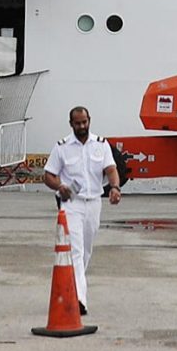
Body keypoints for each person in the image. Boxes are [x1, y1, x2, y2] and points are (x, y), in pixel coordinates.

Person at [42, 104, 122, 315]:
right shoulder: (62, 147)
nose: (82, 126)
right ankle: (79, 299)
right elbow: (48, 175)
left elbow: (111, 169)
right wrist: (59, 186)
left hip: (94, 202)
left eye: (84, 122)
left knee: (86, 251)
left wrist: (114, 187)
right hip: (72, 203)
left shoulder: (101, 145)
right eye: (77, 123)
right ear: (71, 124)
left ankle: (75, 287)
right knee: (76, 250)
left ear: (89, 120)